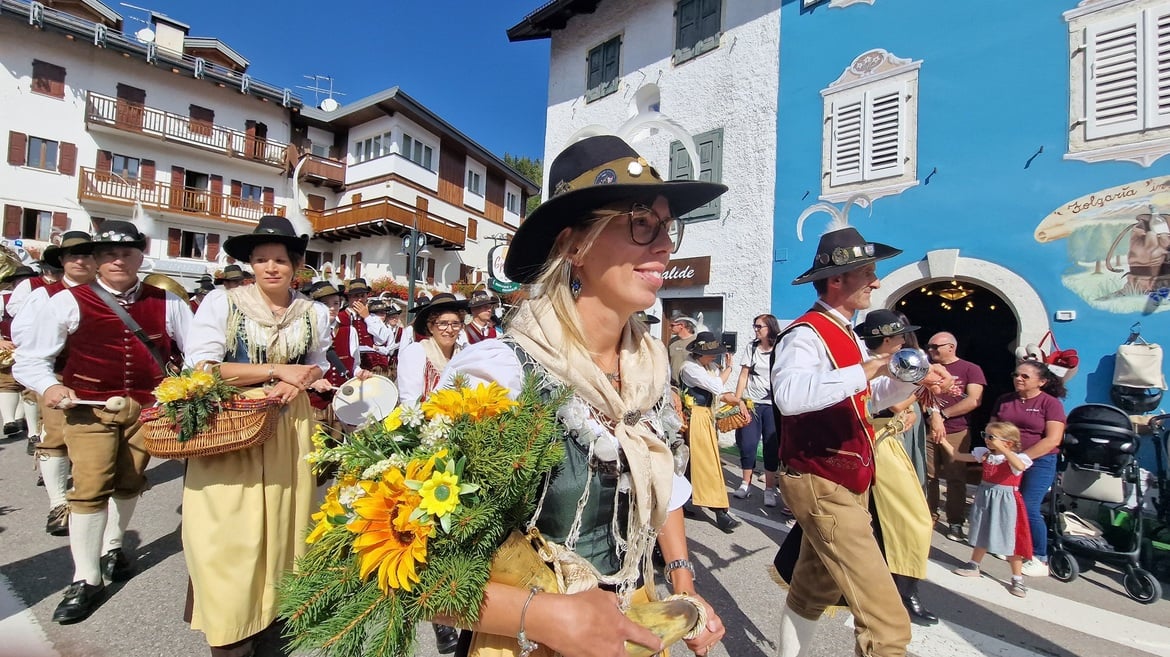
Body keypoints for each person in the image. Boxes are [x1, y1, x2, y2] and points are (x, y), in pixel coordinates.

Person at [437, 134, 726, 657]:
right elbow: (413, 571)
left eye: (667, 228)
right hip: (529, 641)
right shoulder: (499, 374)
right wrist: (545, 615)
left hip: (631, 626)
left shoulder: (649, 368)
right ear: (574, 246)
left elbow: (664, 481)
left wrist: (682, 583)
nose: (663, 246)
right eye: (642, 222)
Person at [770, 221, 952, 657]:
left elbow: (869, 400)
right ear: (836, 280)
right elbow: (790, 397)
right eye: (867, 273)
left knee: (812, 591)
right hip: (821, 478)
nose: (875, 280)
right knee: (886, 622)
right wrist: (870, 368)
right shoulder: (804, 334)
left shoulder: (848, 334)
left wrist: (915, 379)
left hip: (845, 478)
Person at [14, 220, 193, 624]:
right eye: (108, 254)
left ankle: (113, 548)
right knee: (90, 487)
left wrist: (185, 391)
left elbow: (197, 353)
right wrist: (49, 388)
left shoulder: (168, 301)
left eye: (126, 252)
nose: (117, 260)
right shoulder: (65, 301)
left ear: (140, 255)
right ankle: (86, 578)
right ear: (95, 258)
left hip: (148, 410)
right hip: (87, 408)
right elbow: (30, 359)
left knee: (130, 480)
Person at [181, 215, 330, 656]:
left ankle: (275, 617)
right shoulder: (222, 304)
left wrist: (296, 381)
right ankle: (231, 625)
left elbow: (317, 361)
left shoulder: (314, 311)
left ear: (296, 264)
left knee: (288, 523)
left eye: (280, 260)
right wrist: (273, 371)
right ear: (249, 263)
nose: (270, 268)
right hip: (234, 423)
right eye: (261, 259)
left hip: (290, 425)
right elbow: (203, 368)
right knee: (228, 529)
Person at [394, 291, 470, 654]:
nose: (451, 329)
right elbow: (409, 403)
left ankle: (458, 608)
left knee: (459, 532)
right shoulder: (415, 353)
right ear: (429, 325)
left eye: (456, 323)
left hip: (462, 448)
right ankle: (440, 619)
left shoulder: (466, 351)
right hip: (427, 448)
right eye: (443, 323)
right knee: (432, 532)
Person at [11, 231, 98, 536]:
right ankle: (58, 504)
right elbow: (23, 336)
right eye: (73, 255)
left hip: (102, 381)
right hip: (59, 375)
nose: (80, 261)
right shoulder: (43, 295)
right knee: (57, 437)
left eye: (87, 255)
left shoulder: (108, 294)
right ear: (62, 261)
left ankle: (94, 501)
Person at [855, 309, 937, 626]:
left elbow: (906, 401)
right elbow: (891, 402)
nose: (905, 339)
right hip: (872, 441)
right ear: (888, 339)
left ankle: (905, 590)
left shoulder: (896, 364)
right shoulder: (866, 367)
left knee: (907, 517)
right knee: (909, 516)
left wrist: (923, 381)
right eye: (901, 334)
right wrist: (921, 382)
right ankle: (895, 592)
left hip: (887, 440)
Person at [988, 359, 1066, 578]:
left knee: (1028, 506)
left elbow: (1053, 439)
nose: (1018, 379)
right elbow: (992, 428)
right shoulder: (1004, 400)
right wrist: (995, 451)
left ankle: (1040, 556)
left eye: (1025, 376)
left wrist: (1022, 457)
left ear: (1041, 382)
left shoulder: (1050, 404)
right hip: (1006, 460)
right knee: (1007, 503)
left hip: (1039, 461)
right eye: (1016, 374)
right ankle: (1012, 547)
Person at [946, 421, 1033, 598]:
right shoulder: (985, 454)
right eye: (985, 435)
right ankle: (973, 564)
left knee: (1011, 537)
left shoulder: (1017, 458)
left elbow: (1020, 467)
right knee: (982, 529)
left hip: (1007, 500)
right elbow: (958, 455)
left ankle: (1017, 578)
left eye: (991, 437)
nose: (986, 439)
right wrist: (942, 441)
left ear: (1008, 442)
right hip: (986, 495)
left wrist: (1005, 450)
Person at [680, 331, 746, 532]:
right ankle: (720, 512)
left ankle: (686, 500)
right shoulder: (690, 368)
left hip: (706, 416)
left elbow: (722, 393)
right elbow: (717, 385)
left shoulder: (708, 367)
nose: (715, 356)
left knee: (694, 463)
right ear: (699, 353)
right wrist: (729, 368)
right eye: (712, 353)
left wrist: (740, 402)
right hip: (695, 417)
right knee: (707, 463)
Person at [924, 331, 987, 542]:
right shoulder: (925, 368)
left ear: (951, 347)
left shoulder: (971, 369)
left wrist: (943, 414)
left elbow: (974, 400)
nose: (931, 350)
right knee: (927, 475)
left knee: (955, 478)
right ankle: (929, 514)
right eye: (929, 347)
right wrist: (933, 416)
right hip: (927, 428)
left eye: (936, 347)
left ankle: (955, 521)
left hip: (957, 430)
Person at [732, 314, 783, 508]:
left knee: (771, 447)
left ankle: (769, 488)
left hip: (773, 405)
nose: (755, 329)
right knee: (748, 444)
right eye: (754, 326)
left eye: (759, 326)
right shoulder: (751, 347)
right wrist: (738, 401)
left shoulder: (780, 347)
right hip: (753, 403)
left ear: (769, 327)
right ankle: (746, 483)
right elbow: (744, 375)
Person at [0, 265, 38, 453]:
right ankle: (9, 420)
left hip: (33, 347)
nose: (22, 283)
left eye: (26, 280)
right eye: (19, 280)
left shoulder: (41, 296)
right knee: (7, 383)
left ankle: (26, 425)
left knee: (29, 388)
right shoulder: (3, 298)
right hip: (8, 346)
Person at [668, 315, 697, 385]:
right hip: (674, 384)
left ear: (681, 325)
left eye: (672, 325)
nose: (669, 328)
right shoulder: (672, 342)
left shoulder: (696, 341)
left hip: (691, 385)